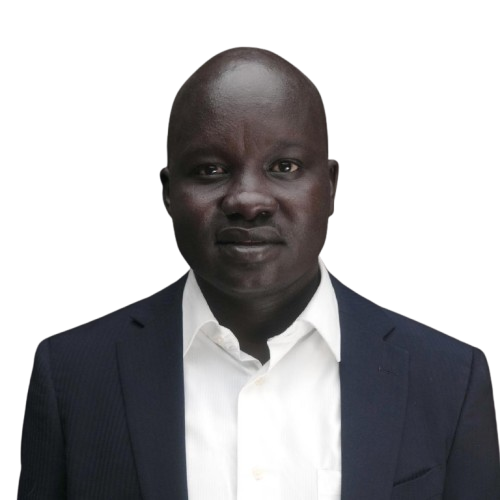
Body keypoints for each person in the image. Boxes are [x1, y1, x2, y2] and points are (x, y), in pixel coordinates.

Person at [18, 46, 499, 499]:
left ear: (331, 186)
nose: (248, 201)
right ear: (167, 193)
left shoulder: (449, 381)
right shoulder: (72, 376)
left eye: (284, 166)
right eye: (210, 170)